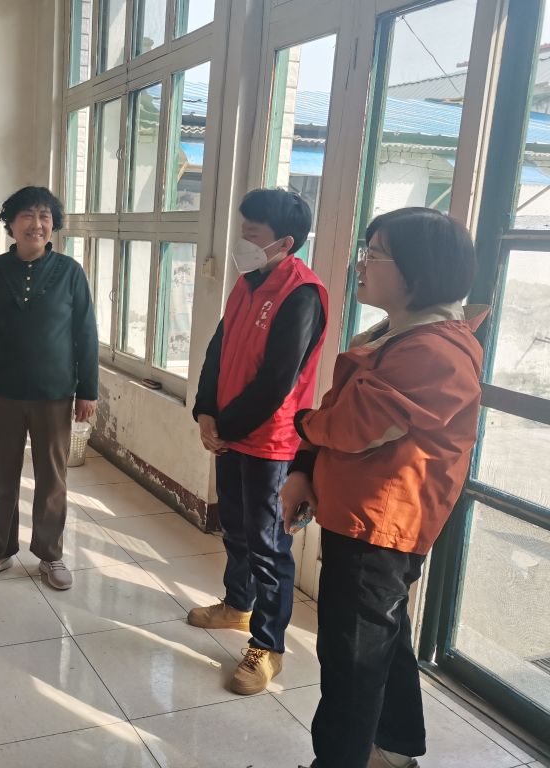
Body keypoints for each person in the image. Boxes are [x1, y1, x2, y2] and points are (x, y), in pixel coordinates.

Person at [283, 208, 485, 768]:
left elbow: (350, 426)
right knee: (381, 641)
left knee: (352, 662)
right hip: (363, 517)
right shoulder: (397, 334)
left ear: (420, 270)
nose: (360, 265)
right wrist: (305, 466)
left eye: (374, 255)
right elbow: (340, 413)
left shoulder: (434, 353)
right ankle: (393, 749)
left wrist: (302, 425)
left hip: (379, 529)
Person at [190, 188, 328, 694]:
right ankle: (237, 604)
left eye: (253, 233)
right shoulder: (247, 281)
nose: (242, 240)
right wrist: (205, 410)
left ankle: (268, 647)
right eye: (242, 229)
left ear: (284, 242)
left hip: (271, 440)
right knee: (235, 526)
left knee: (269, 544)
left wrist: (225, 427)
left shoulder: (301, 293)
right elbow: (219, 348)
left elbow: (277, 380)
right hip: (231, 430)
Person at [0, 187, 99, 591]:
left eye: (44, 216)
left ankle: (50, 554)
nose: (36, 224)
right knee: (2, 477)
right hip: (1, 392)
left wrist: (87, 391)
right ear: (11, 223)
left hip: (53, 394)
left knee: (52, 478)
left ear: (53, 224)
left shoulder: (71, 272)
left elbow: (86, 335)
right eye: (27, 215)